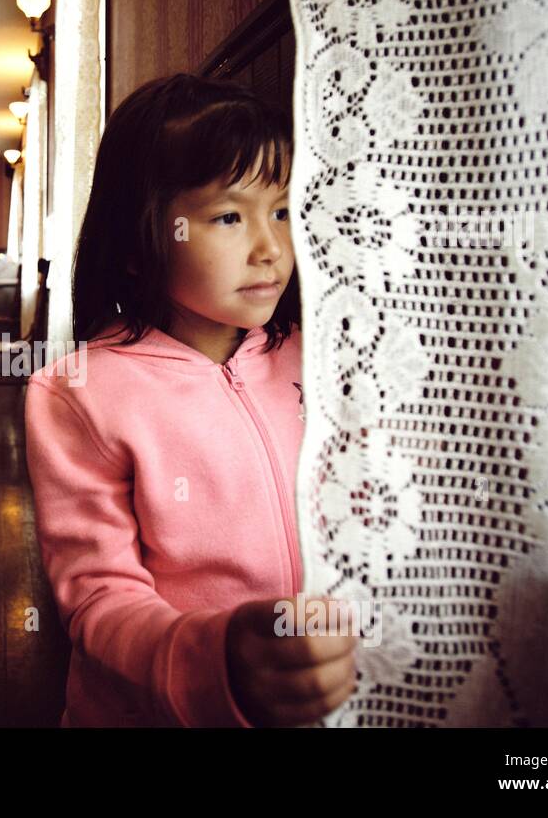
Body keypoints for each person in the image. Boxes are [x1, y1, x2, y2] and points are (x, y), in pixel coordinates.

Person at [24, 73, 358, 727]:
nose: (271, 247)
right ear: (136, 242)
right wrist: (215, 658)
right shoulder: (79, 394)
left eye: (283, 210)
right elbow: (100, 598)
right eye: (230, 216)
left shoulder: (318, 356)